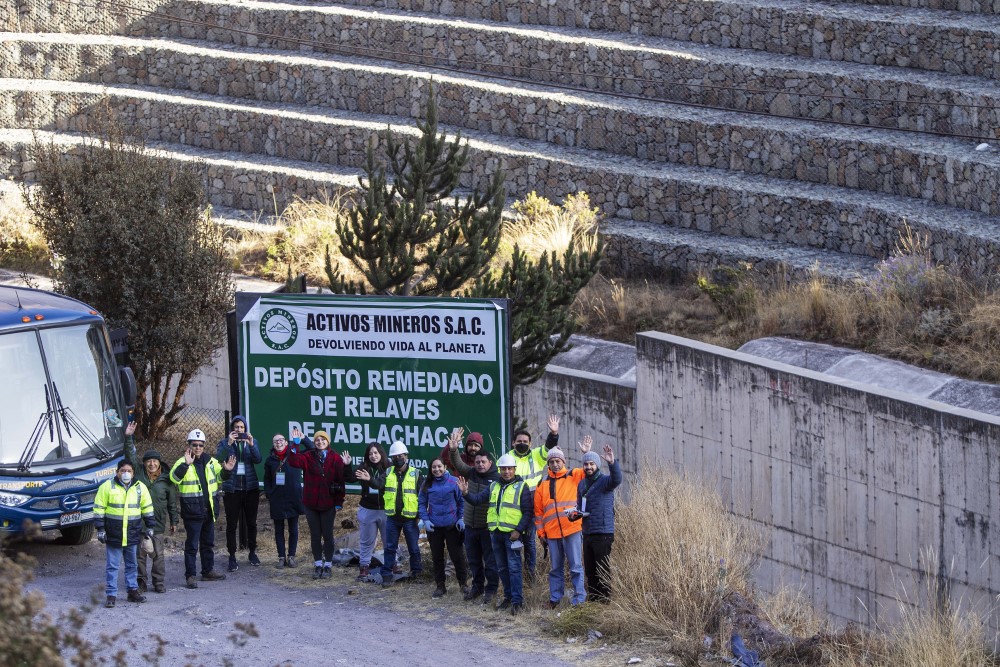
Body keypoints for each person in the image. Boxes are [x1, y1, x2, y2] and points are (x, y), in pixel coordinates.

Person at [457, 453, 533, 615]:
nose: (506, 472)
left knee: (514, 568)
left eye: (509, 469)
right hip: (495, 534)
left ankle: (517, 602)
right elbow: (477, 500)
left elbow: (528, 512)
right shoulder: (493, 486)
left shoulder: (521, 486)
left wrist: (518, 531)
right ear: (499, 470)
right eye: (504, 469)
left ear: (514, 469)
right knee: (502, 568)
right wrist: (465, 493)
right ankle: (507, 598)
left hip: (512, 535)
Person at [169, 429, 236, 589]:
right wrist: (186, 464)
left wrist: (227, 470)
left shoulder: (211, 461)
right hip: (192, 511)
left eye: (200, 445)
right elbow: (174, 479)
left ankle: (207, 571)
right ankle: (190, 576)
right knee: (192, 545)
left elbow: (220, 478)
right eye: (194, 445)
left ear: (204, 446)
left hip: (209, 510)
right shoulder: (182, 462)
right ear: (189, 445)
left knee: (208, 543)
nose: (197, 447)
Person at [95, 458, 157, 607]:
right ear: (117, 472)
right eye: (123, 471)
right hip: (114, 534)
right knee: (112, 566)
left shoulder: (140, 488)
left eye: (129, 471)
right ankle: (111, 595)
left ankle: (132, 591)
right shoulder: (107, 487)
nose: (126, 473)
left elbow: (147, 508)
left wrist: (150, 526)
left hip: (132, 534)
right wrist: (100, 529)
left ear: (133, 473)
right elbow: (99, 509)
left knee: (132, 565)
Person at [284, 430, 347, 579]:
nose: (320, 442)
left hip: (328, 503)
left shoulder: (335, 458)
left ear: (328, 442)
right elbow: (293, 461)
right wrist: (296, 444)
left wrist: (339, 502)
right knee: (315, 535)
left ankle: (328, 565)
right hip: (311, 502)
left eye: (323, 440)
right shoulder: (308, 456)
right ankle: (318, 564)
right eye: (317, 440)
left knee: (328, 535)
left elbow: (340, 481)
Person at [447, 428, 500, 604]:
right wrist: (453, 449)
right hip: (470, 526)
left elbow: (479, 500)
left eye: (483, 462)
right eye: (477, 462)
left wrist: (466, 493)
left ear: (490, 463)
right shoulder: (471, 473)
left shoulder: (497, 479)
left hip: (487, 528)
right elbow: (457, 464)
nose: (480, 465)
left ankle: (491, 589)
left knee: (490, 563)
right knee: (474, 561)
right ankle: (477, 587)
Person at [534, 440, 588, 608]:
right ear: (548, 464)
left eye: (558, 461)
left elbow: (590, 472)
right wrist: (541, 534)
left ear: (564, 462)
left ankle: (579, 600)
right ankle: (555, 599)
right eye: (552, 461)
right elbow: (538, 513)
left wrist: (586, 453)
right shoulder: (542, 484)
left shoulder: (574, 475)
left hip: (572, 529)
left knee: (576, 566)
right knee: (555, 568)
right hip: (552, 534)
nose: (555, 464)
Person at [510, 414, 560, 580]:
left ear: (530, 444)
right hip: (512, 509)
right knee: (512, 543)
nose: (522, 443)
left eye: (525, 441)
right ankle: (515, 576)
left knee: (530, 542)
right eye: (519, 441)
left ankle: (530, 576)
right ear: (513, 443)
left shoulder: (537, 456)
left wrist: (553, 434)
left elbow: (549, 447)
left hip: (531, 508)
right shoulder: (507, 459)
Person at [571, 444, 622, 602]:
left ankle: (605, 601)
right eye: (586, 464)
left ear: (597, 465)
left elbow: (617, 479)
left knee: (603, 569)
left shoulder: (605, 481)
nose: (588, 467)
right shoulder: (581, 484)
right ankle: (594, 600)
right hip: (587, 532)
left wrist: (612, 463)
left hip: (603, 532)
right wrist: (574, 515)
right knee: (590, 570)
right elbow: (580, 507)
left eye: (592, 464)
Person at [216, 415, 262, 571]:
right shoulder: (224, 442)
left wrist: (251, 444)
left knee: (251, 523)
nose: (239, 430)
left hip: (250, 489)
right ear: (232, 429)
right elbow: (218, 459)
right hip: (232, 489)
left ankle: (252, 552)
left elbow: (258, 459)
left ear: (245, 429)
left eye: (242, 427)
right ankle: (232, 556)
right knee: (231, 524)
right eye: (236, 427)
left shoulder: (252, 442)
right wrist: (229, 443)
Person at [418, 457, 469, 599]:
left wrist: (461, 518)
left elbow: (461, 502)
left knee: (457, 557)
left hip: (452, 526)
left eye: (439, 466)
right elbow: (421, 503)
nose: (437, 469)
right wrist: (425, 520)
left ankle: (463, 585)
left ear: (445, 467)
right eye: (434, 467)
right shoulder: (427, 483)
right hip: (434, 528)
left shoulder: (454, 482)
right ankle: (440, 586)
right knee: (437, 557)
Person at [135, 448, 179, 594]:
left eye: (154, 461)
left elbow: (172, 503)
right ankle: (141, 581)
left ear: (159, 463)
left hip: (158, 522)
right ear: (144, 463)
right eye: (149, 461)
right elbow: (129, 453)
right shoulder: (139, 474)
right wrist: (128, 437)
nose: (152, 464)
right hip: (140, 521)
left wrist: (174, 521)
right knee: (140, 554)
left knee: (158, 555)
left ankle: (158, 582)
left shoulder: (167, 479)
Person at [380, 440, 423, 587]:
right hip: (392, 518)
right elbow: (379, 485)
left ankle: (417, 573)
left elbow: (422, 496)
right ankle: (387, 574)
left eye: (400, 456)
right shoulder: (387, 472)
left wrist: (420, 516)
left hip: (410, 519)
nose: (397, 459)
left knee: (414, 548)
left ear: (406, 456)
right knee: (390, 547)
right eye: (394, 457)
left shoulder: (416, 474)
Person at [263, 433, 306, 568]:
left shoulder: (294, 454)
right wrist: (270, 493)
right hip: (277, 499)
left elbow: (311, 449)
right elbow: (267, 479)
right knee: (279, 530)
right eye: (275, 441)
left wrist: (302, 439)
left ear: (286, 442)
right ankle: (281, 557)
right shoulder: (270, 461)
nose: (278, 443)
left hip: (293, 498)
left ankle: (291, 556)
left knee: (293, 529)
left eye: (281, 440)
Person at [349, 441, 389, 580]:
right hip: (367, 509)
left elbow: (379, 484)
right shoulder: (364, 467)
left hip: (385, 510)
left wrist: (370, 479)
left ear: (381, 454)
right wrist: (347, 465)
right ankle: (364, 566)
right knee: (366, 541)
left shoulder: (388, 467)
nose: (373, 456)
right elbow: (349, 478)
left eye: (376, 453)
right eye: (370, 453)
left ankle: (392, 564)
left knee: (388, 540)